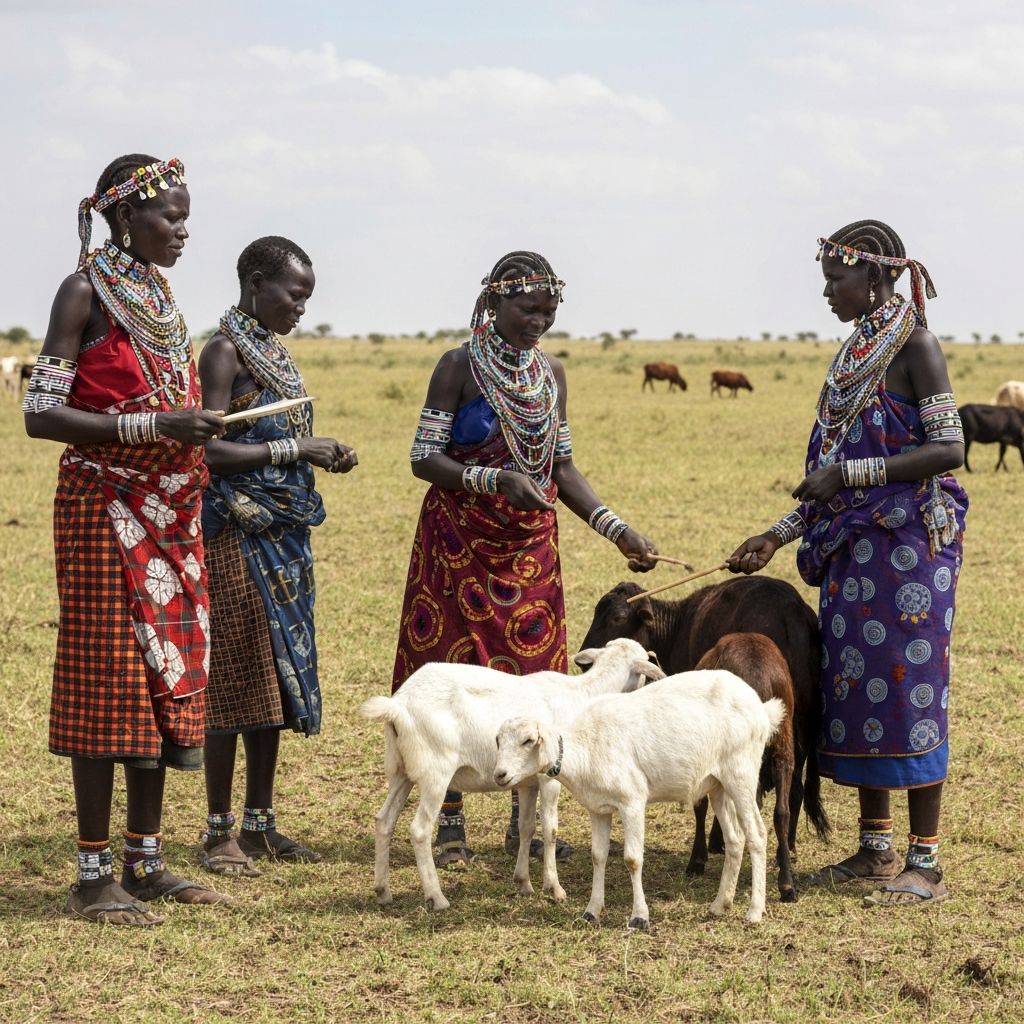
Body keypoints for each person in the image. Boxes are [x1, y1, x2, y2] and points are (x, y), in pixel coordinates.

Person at [729, 220, 967, 907]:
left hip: (911, 551)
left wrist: (851, 476)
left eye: (838, 278)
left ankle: (926, 862)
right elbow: (825, 476)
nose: (829, 291)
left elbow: (948, 448)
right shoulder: (854, 350)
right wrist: (774, 535)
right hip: (853, 555)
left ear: (878, 276)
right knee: (857, 689)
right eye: (828, 278)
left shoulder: (916, 343)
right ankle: (873, 847)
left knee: (912, 690)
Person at [392, 250, 658, 865]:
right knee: (452, 675)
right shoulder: (457, 367)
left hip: (529, 552)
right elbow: (423, 457)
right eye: (527, 308)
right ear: (494, 301)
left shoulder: (552, 373)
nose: (538, 321)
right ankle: (448, 816)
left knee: (537, 684)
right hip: (458, 543)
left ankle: (529, 824)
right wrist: (493, 482)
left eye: (549, 311)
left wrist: (616, 529)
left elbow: (560, 467)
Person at [24, 154, 229, 925]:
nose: (181, 232)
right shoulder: (84, 292)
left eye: (185, 218)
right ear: (124, 217)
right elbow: (40, 415)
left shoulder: (159, 293)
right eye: (169, 217)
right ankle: (90, 875)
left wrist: (191, 431)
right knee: (107, 679)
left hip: (172, 512)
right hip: (102, 508)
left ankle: (146, 859)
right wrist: (154, 426)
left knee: (161, 675)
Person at [197, 237, 357, 875]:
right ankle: (217, 833)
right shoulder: (223, 352)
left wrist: (323, 453)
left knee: (273, 681)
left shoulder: (273, 353)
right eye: (295, 294)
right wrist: (297, 452)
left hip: (284, 536)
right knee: (236, 678)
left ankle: (261, 825)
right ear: (257, 282)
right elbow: (206, 451)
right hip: (235, 536)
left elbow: (280, 434)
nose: (301, 308)